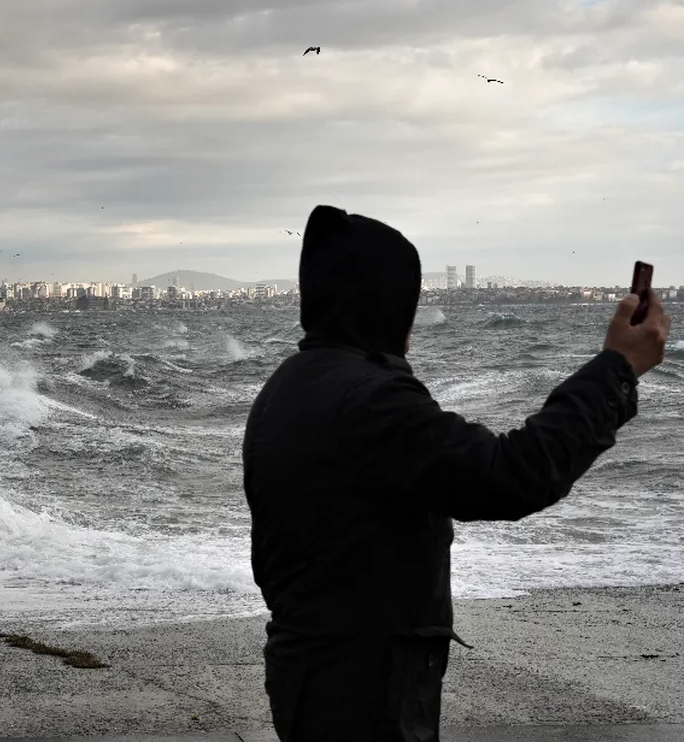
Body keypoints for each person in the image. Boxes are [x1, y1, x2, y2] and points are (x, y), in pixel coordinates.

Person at [242, 204, 672, 741]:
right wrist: (617, 368)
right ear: (389, 303)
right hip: (360, 687)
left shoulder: (294, 383)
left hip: (314, 669)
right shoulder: (368, 399)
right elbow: (510, 474)